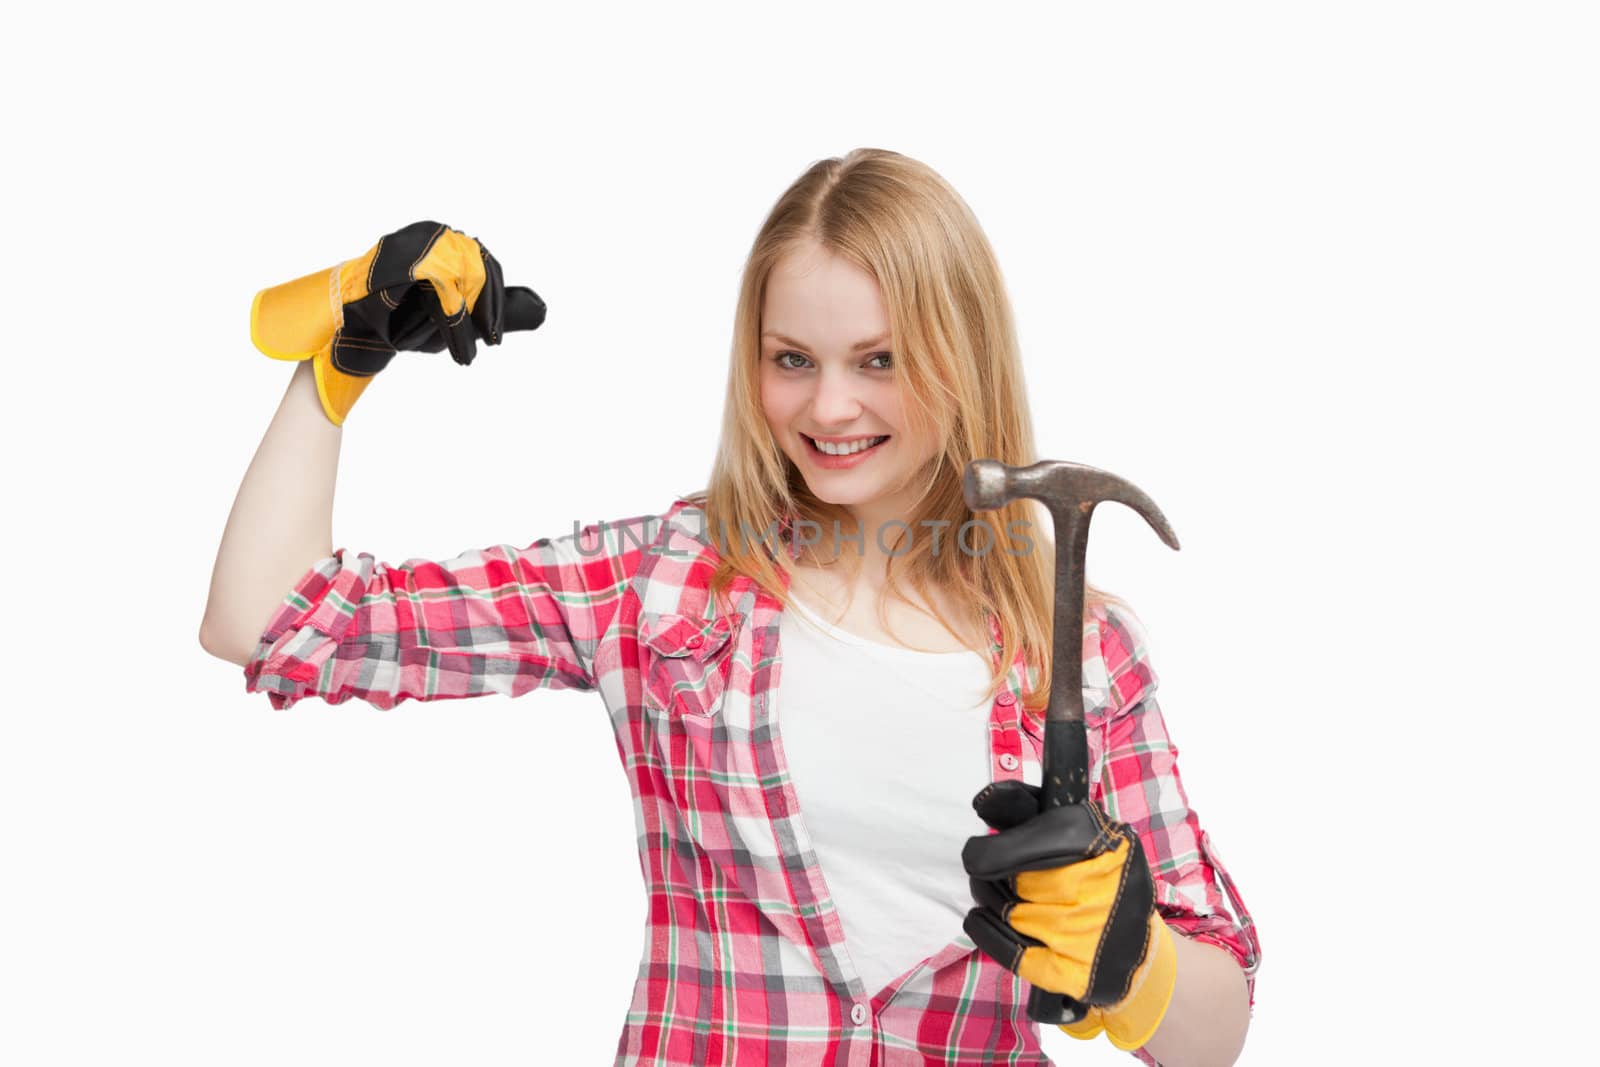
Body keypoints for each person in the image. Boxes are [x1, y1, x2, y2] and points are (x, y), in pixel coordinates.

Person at [199, 148, 1261, 1066]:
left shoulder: (1076, 653)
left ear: (961, 355)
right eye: (790, 359)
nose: (828, 404)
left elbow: (1214, 1031)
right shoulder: (661, 585)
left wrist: (1136, 957)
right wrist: (340, 367)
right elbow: (272, 620)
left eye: (878, 360)